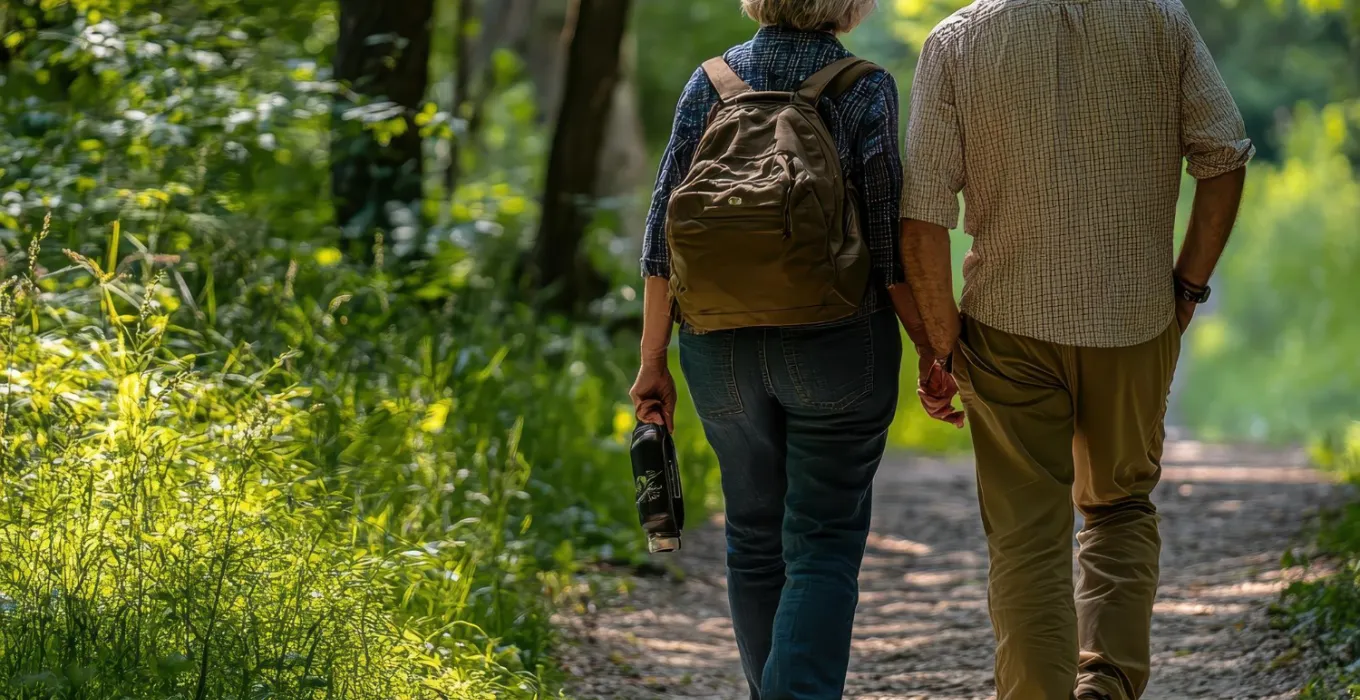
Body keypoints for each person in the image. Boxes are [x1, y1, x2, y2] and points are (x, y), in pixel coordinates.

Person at [899, 0, 1254, 697]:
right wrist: (1186, 290)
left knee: (1027, 538)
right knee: (1119, 508)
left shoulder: (957, 44)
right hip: (1135, 321)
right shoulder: (1161, 22)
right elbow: (1224, 158)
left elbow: (922, 221)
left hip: (1007, 329)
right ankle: (1109, 687)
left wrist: (941, 350)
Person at [628, 1, 957, 697]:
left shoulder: (710, 82)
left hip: (717, 349)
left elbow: (661, 236)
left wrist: (652, 361)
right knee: (823, 547)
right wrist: (934, 351)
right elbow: (887, 242)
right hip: (836, 345)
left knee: (752, 539)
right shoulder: (862, 86)